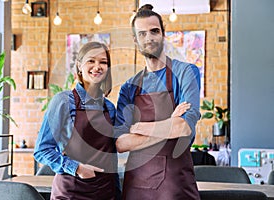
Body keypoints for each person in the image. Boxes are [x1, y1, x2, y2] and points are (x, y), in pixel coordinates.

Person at [114, 4, 201, 200]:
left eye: (154, 31)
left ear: (163, 34)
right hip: (136, 183)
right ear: (135, 40)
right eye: (142, 34)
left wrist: (137, 127)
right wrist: (168, 124)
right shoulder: (130, 87)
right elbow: (120, 142)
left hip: (174, 183)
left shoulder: (186, 72)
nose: (149, 38)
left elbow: (183, 128)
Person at [34, 41, 121, 200]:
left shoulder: (109, 107)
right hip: (72, 192)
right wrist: (77, 168)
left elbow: (111, 155)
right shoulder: (63, 101)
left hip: (106, 193)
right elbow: (42, 150)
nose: (97, 66)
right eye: (91, 61)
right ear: (80, 65)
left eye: (103, 62)